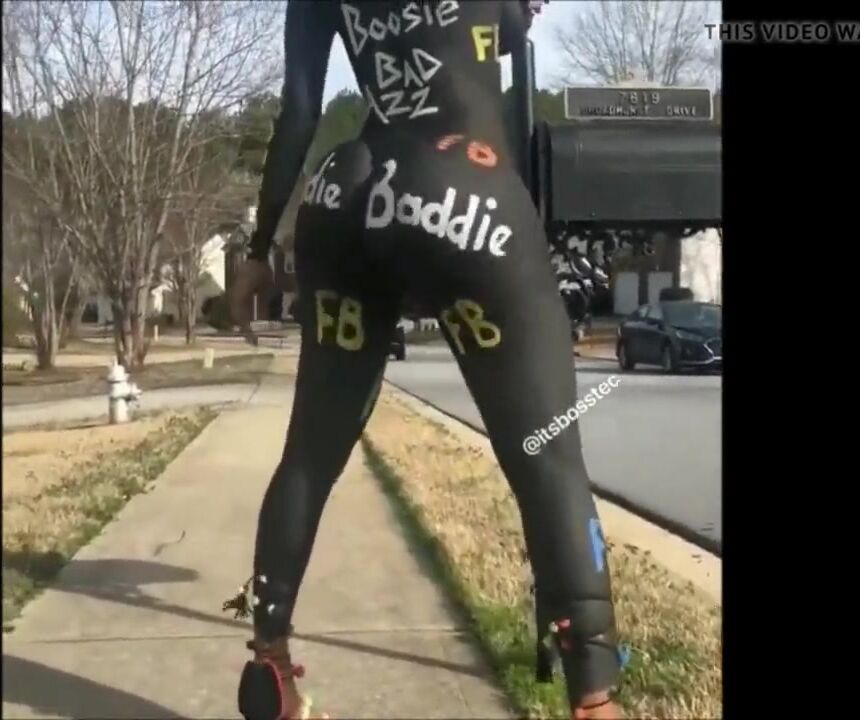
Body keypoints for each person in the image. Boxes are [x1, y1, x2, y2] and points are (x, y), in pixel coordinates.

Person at [224, 2, 625, 718]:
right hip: (465, 187)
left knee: (309, 453)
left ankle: (269, 661)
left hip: (347, 190)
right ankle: (594, 691)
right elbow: (506, 32)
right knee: (547, 457)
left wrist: (258, 251)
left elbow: (300, 111)